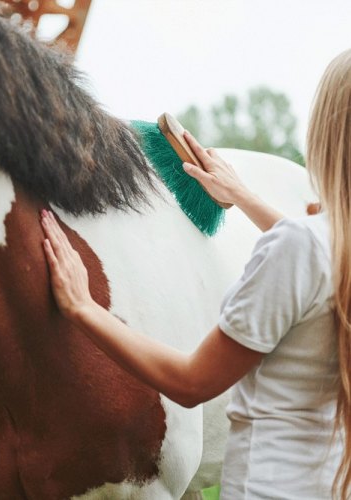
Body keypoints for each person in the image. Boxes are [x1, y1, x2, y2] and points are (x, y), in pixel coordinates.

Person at [39, 49, 351, 500]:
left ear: (325, 130)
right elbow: (321, 256)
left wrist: (86, 309)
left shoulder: (301, 247)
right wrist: (242, 196)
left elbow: (191, 383)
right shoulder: (318, 245)